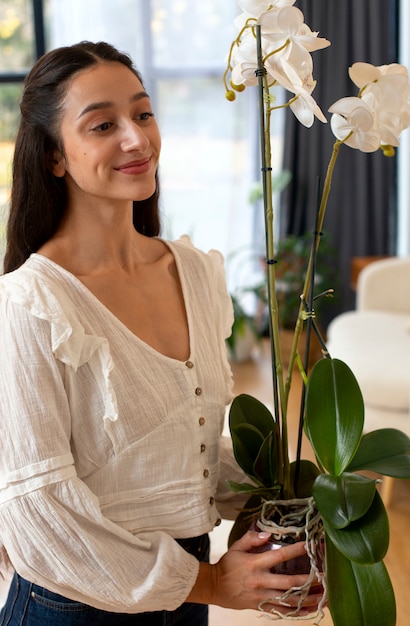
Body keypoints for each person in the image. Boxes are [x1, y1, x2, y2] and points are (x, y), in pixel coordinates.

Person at [0, 42, 321, 625]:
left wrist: (294, 501)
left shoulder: (194, 272)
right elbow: (39, 509)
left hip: (183, 596)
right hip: (72, 607)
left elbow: (175, 448)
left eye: (143, 113)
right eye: (103, 124)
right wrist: (209, 583)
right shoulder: (30, 304)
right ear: (54, 157)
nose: (136, 139)